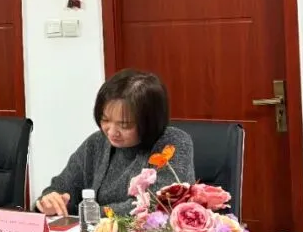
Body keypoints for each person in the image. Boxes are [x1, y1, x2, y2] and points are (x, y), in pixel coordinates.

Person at [36, 69, 195, 217]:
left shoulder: (172, 142)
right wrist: (51, 200)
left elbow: (157, 205)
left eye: (124, 125)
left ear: (149, 122)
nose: (111, 132)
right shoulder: (96, 142)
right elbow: (62, 188)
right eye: (105, 120)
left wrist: (89, 213)